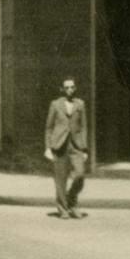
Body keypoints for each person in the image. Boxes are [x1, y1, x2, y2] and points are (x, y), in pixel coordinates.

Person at [45, 76, 88, 218]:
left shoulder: (80, 104)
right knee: (60, 179)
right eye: (67, 87)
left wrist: (85, 148)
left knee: (80, 175)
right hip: (59, 144)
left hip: (76, 145)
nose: (70, 89)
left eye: (72, 87)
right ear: (62, 89)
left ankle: (71, 200)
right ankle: (63, 208)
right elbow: (49, 127)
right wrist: (48, 147)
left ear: (75, 88)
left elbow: (83, 127)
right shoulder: (55, 104)